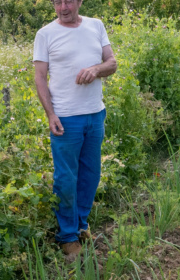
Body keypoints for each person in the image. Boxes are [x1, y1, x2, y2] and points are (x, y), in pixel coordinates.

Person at [33, 0, 117, 260]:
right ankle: (67, 236)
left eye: (68, 0)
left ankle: (81, 225)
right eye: (57, 2)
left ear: (80, 1)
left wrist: (96, 69)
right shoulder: (45, 34)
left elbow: (112, 63)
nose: (63, 7)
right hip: (66, 119)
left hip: (95, 114)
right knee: (66, 178)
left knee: (91, 174)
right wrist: (50, 114)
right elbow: (39, 77)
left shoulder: (96, 26)